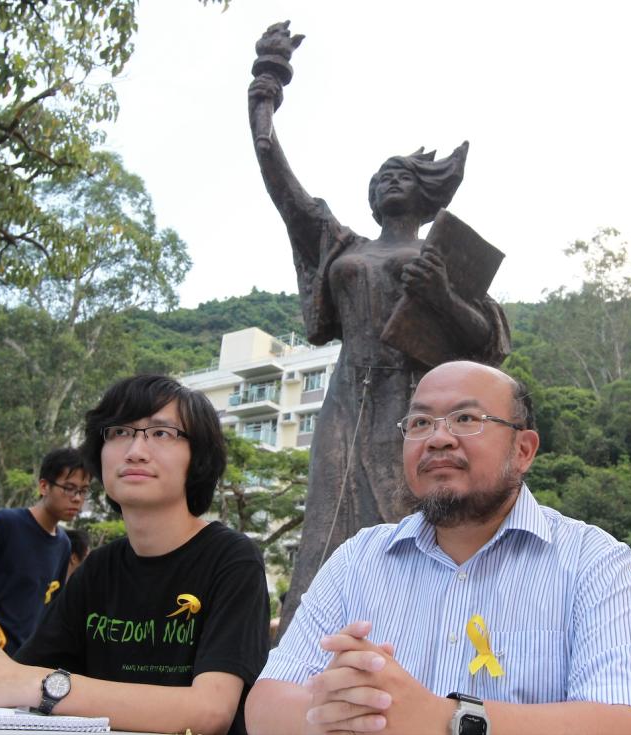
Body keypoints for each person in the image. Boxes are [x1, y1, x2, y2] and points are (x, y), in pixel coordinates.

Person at [248, 27, 512, 628]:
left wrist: (441, 295)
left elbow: (486, 346)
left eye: (402, 174)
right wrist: (265, 90)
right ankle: (306, 650)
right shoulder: (342, 244)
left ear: (426, 194)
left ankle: (423, 644)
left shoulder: (443, 254)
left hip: (420, 405)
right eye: (380, 175)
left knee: (415, 523)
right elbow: (280, 185)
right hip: (348, 398)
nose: (389, 179)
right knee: (328, 524)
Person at [245, 361, 631, 735]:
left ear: (523, 450)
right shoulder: (358, 559)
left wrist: (443, 718)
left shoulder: (592, 558)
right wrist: (339, 714)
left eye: (466, 418)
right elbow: (266, 703)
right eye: (420, 423)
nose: (437, 439)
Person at [0, 375, 270, 735]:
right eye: (118, 433)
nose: (135, 450)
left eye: (161, 433)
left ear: (198, 458)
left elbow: (209, 712)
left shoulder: (232, 559)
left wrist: (40, 686)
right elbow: (15, 678)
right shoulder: (99, 570)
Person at [0, 448, 87, 654]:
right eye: (70, 488)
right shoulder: (5, 523)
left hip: (16, 665)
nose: (77, 498)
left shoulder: (63, 544)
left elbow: (47, 612)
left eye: (83, 491)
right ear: (44, 486)